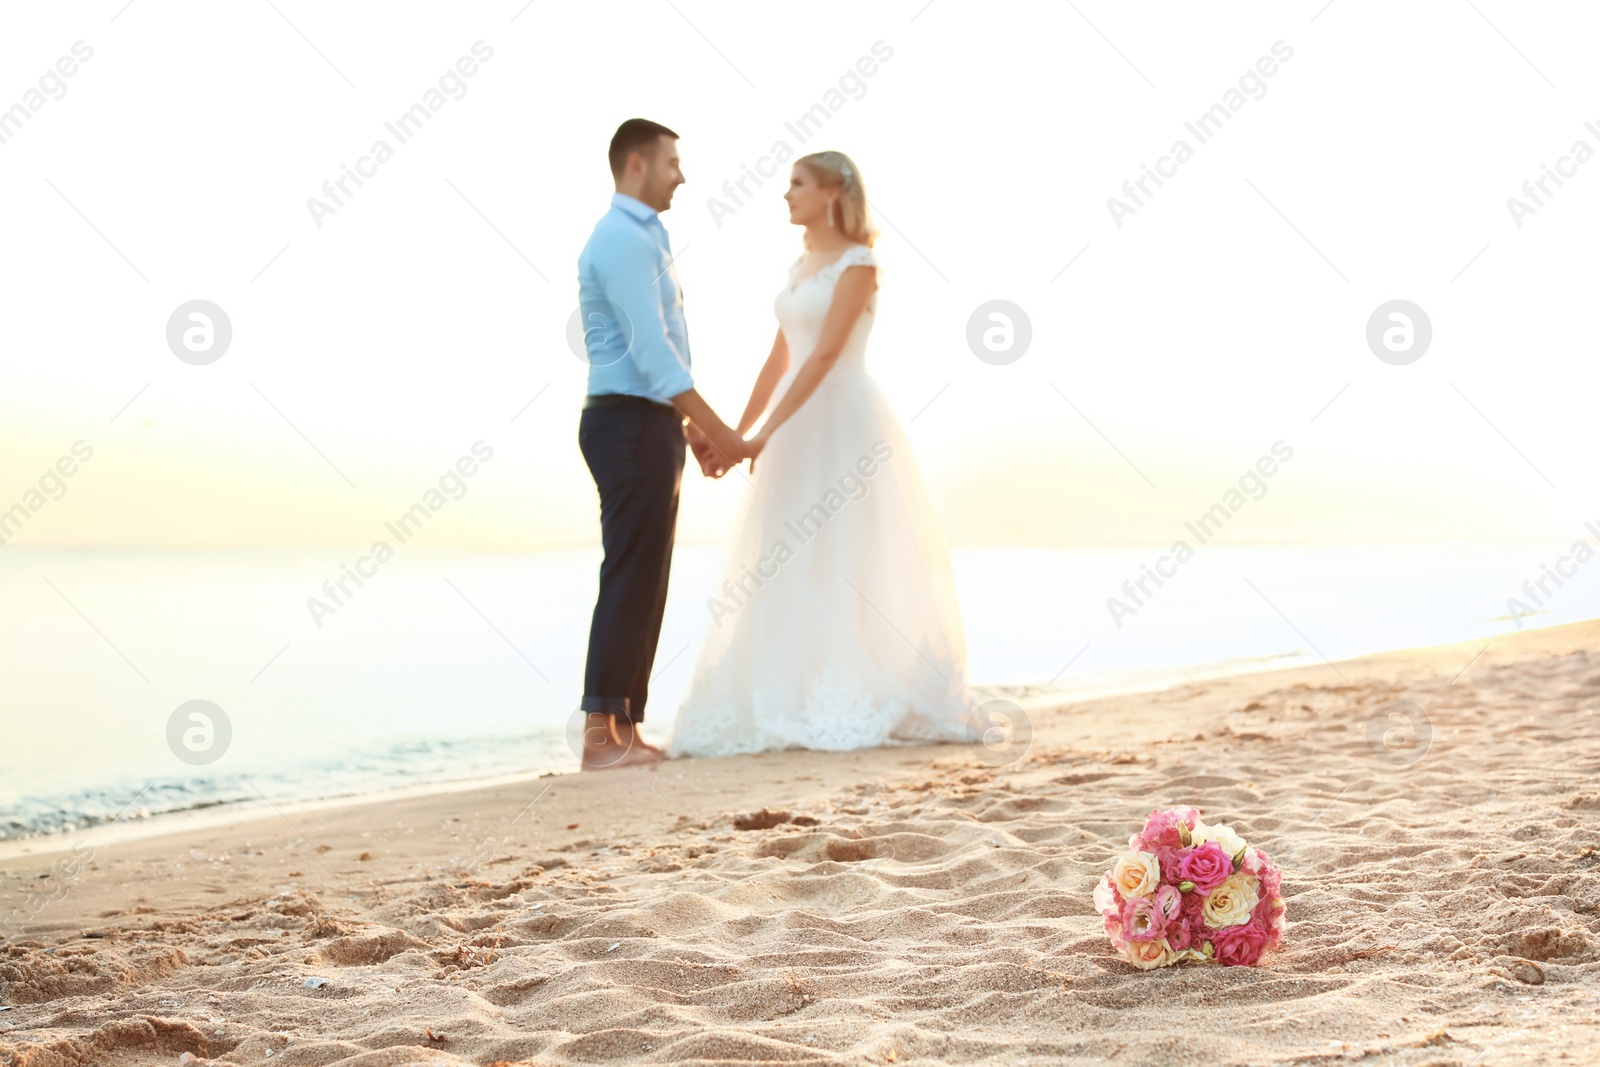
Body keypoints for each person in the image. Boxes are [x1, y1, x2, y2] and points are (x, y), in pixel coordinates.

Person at [668, 151, 973, 757]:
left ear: (833, 192)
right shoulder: (800, 263)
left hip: (842, 421)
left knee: (842, 549)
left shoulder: (860, 264)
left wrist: (761, 435)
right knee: (786, 552)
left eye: (798, 185)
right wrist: (737, 432)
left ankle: (853, 689)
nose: (786, 195)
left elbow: (825, 356)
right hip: (793, 422)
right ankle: (787, 687)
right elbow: (779, 359)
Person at [574, 118, 758, 770]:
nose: (681, 174)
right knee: (629, 570)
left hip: (646, 420)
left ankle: (624, 728)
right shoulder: (621, 238)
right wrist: (723, 433)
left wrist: (687, 428)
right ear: (635, 165)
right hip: (624, 421)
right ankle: (600, 739)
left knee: (648, 574)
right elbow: (651, 354)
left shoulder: (646, 235)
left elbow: (657, 354)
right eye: (671, 162)